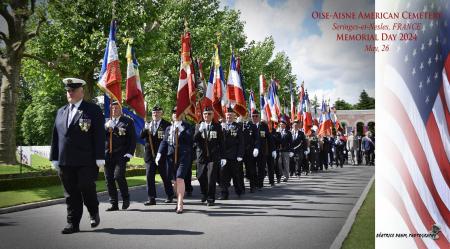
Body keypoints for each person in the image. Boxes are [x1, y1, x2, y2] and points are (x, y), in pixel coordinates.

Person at [50, 78, 105, 234]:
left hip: (86, 160)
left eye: (73, 90)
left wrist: (100, 156)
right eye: (68, 91)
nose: (70, 93)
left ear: (82, 91)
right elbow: (56, 136)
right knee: (71, 193)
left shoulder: (92, 110)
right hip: (65, 160)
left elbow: (99, 135)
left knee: (86, 187)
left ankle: (93, 211)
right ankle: (72, 223)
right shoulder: (61, 111)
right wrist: (54, 157)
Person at [157, 107, 193, 213]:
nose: (175, 115)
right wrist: (159, 153)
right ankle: (178, 200)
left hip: (183, 156)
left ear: (182, 115)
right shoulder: (169, 128)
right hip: (171, 157)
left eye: (177, 113)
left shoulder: (187, 126)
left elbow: (191, 140)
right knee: (174, 181)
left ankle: (180, 204)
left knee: (180, 178)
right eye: (173, 113)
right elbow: (164, 142)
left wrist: (182, 130)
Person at [104, 101, 136, 211]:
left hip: (121, 153)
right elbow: (100, 137)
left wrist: (130, 152)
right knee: (109, 180)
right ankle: (114, 203)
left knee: (118, 176)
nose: (114, 110)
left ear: (121, 109)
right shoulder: (106, 122)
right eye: (112, 109)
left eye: (116, 108)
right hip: (108, 154)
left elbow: (132, 139)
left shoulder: (127, 122)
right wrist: (105, 128)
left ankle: (126, 199)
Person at [140, 106, 174, 206]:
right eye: (154, 112)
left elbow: (168, 141)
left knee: (165, 176)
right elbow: (141, 136)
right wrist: (145, 129)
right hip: (150, 155)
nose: (155, 114)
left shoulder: (167, 125)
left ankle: (170, 195)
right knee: (149, 176)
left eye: (158, 112)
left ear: (161, 113)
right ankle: (151, 198)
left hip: (162, 155)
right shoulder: (148, 124)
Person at [194, 106, 223, 206]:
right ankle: (204, 193)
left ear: (213, 115)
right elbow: (194, 139)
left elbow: (221, 142)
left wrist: (222, 156)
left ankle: (210, 198)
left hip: (213, 156)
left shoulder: (217, 126)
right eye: (205, 114)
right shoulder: (198, 126)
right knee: (200, 176)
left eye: (209, 114)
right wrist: (200, 131)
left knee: (211, 177)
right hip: (201, 155)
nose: (207, 116)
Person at [219, 107, 245, 199]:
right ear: (225, 116)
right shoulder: (221, 126)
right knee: (223, 175)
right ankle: (224, 194)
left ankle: (239, 190)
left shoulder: (238, 126)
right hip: (223, 155)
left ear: (234, 116)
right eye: (227, 114)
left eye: (230, 114)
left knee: (236, 175)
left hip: (234, 155)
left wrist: (240, 155)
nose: (229, 116)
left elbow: (241, 142)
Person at [251, 110, 276, 188]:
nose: (255, 118)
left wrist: (273, 150)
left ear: (259, 117)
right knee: (252, 168)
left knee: (261, 168)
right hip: (251, 151)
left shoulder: (264, 126)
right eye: (253, 116)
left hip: (262, 151)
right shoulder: (249, 125)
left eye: (256, 116)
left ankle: (260, 183)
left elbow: (269, 138)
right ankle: (254, 183)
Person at [242, 116, 260, 192]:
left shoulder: (252, 126)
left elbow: (257, 138)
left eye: (246, 116)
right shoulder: (238, 125)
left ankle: (253, 186)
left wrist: (256, 148)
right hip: (240, 151)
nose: (244, 117)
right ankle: (241, 188)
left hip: (250, 150)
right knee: (239, 171)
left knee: (251, 169)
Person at [277, 118, 292, 182]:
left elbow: (291, 142)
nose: (281, 125)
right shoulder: (277, 132)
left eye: (282, 124)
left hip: (286, 150)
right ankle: (280, 175)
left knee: (286, 164)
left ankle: (286, 176)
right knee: (279, 163)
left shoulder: (288, 133)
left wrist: (291, 150)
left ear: (285, 125)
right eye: (280, 124)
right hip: (279, 150)